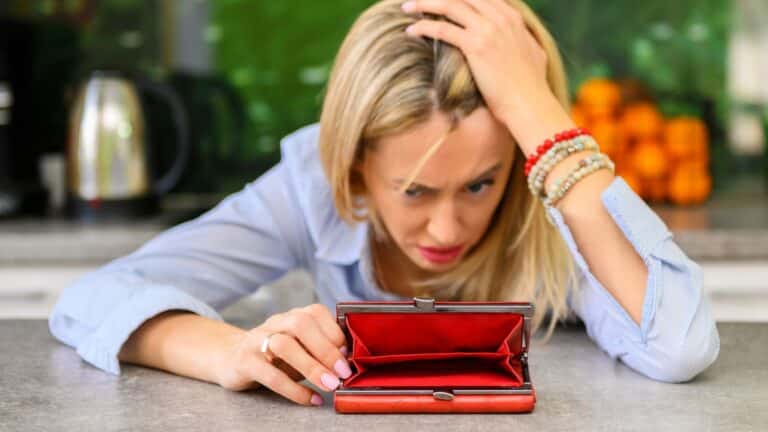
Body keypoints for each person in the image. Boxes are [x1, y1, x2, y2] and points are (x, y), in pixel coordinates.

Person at [48, 0, 719, 407]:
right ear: (355, 166)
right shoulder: (310, 187)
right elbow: (91, 299)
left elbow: (679, 347)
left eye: (479, 184)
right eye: (414, 190)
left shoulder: (550, 192)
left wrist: (536, 113)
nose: (446, 228)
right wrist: (233, 351)